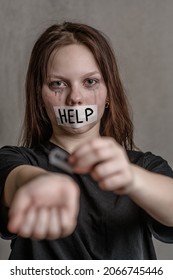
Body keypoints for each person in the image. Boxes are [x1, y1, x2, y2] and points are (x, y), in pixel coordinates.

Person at [0, 22, 173, 260]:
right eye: (58, 84)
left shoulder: (145, 166)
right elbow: (15, 178)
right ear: (39, 97)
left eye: (90, 81)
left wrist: (133, 178)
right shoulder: (15, 160)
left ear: (109, 93)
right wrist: (37, 182)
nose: (75, 98)